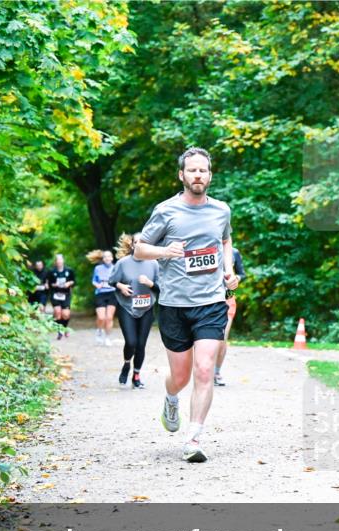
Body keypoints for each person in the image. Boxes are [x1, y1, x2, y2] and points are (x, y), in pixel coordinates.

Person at [135, 147, 239, 463]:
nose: (198, 175)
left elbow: (224, 240)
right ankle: (170, 399)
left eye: (203, 171)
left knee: (205, 369)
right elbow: (139, 250)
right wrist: (166, 253)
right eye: (192, 170)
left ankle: (193, 439)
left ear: (210, 175)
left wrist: (229, 269)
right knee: (180, 377)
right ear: (182, 175)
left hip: (210, 302)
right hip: (173, 304)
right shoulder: (166, 211)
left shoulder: (221, 210)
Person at [108, 233, 159, 389]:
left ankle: (136, 376)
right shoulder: (123, 263)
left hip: (147, 308)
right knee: (131, 342)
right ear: (132, 245)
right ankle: (126, 364)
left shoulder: (154, 264)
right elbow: (111, 281)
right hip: (127, 307)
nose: (139, 245)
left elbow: (161, 288)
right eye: (137, 242)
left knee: (141, 345)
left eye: (143, 243)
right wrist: (121, 286)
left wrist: (150, 283)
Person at [214, 246, 245, 386]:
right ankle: (204, 369)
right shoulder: (206, 247)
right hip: (208, 298)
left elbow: (242, 274)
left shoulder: (234, 252)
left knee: (222, 339)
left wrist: (235, 278)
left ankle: (216, 372)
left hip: (228, 298)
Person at [88, 249, 117, 346]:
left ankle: (107, 337)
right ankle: (99, 330)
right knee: (101, 317)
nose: (107, 258)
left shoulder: (116, 268)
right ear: (103, 259)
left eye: (109, 256)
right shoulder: (98, 268)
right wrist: (97, 285)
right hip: (100, 293)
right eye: (105, 257)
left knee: (109, 318)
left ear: (112, 258)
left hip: (112, 293)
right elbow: (94, 281)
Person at [48, 254, 76, 339]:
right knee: (57, 313)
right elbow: (49, 283)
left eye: (61, 260)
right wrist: (54, 284)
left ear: (63, 261)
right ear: (55, 262)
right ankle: (60, 331)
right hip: (55, 294)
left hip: (66, 294)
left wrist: (69, 283)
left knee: (66, 314)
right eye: (58, 260)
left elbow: (74, 281)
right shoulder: (52, 272)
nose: (59, 262)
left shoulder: (69, 270)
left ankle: (65, 328)